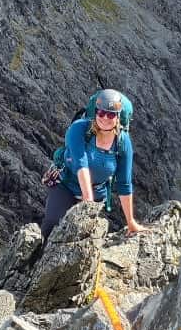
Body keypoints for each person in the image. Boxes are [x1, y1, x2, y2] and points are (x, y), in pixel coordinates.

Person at [41, 88, 145, 240]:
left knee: (80, 238)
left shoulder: (123, 143)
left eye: (110, 114)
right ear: (95, 112)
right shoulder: (79, 129)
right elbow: (81, 164)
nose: (105, 118)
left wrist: (131, 222)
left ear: (118, 117)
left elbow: (124, 184)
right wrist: (87, 202)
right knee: (51, 223)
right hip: (67, 184)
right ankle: (36, 258)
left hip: (97, 194)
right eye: (101, 113)